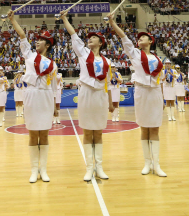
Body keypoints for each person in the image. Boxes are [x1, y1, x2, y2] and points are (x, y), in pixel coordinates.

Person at [108, 14, 166, 177]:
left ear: (150, 41)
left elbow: (160, 79)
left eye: (143, 38)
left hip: (154, 92)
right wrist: (113, 23)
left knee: (155, 127)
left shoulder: (157, 59)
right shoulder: (134, 54)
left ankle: (157, 164)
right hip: (141, 91)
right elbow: (124, 37)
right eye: (138, 39)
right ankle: (147, 162)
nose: (139, 40)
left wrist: (162, 98)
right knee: (144, 127)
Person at [60, 11, 114, 181]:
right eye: (89, 38)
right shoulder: (83, 53)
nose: (89, 39)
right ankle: (89, 168)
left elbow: (108, 83)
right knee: (87, 133)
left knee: (98, 133)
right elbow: (73, 34)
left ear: (101, 42)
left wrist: (111, 102)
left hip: (100, 96)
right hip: (85, 94)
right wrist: (64, 18)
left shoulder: (107, 61)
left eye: (94, 38)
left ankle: (99, 167)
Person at [7, 10, 58, 183]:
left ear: (48, 45)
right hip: (30, 93)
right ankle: (33, 170)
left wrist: (55, 106)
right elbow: (22, 36)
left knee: (44, 134)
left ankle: (43, 170)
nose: (38, 42)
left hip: (45, 96)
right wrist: (13, 20)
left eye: (41, 40)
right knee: (32, 135)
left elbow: (53, 86)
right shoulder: (29, 55)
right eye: (37, 39)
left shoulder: (53, 64)